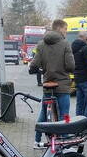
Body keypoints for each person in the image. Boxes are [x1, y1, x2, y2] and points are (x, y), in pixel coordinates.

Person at [30, 19, 75, 147]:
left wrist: (36, 70)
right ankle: (65, 141)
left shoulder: (41, 44)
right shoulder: (65, 44)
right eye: (66, 29)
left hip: (48, 87)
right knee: (65, 114)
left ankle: (37, 141)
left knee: (43, 114)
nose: (66, 32)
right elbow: (71, 66)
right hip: (62, 86)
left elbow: (34, 65)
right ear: (60, 29)